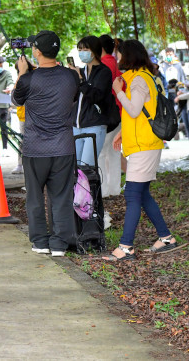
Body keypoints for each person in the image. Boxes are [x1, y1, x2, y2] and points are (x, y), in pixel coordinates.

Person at [103, 40, 178, 261]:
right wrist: (123, 132)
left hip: (144, 146)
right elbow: (142, 112)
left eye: (119, 55)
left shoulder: (137, 80)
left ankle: (126, 247)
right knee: (142, 194)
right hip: (145, 143)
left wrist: (118, 92)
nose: (117, 59)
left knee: (133, 194)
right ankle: (166, 238)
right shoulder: (146, 76)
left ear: (128, 57)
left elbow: (134, 109)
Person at [12, 30, 79, 257]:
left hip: (35, 148)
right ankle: (59, 244)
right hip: (63, 147)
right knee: (61, 196)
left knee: (34, 196)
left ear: (37, 51)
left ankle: (40, 241)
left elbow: (16, 99)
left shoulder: (29, 79)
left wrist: (22, 73)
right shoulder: (71, 77)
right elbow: (73, 97)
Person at [68, 35, 113, 168]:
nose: (82, 52)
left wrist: (81, 80)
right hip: (77, 125)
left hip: (94, 125)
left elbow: (96, 96)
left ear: (94, 51)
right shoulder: (82, 71)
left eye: (86, 49)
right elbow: (74, 97)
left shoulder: (104, 72)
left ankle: (93, 190)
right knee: (76, 169)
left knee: (87, 168)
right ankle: (79, 190)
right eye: (80, 49)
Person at [97, 35, 123, 197]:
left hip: (108, 114)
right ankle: (114, 188)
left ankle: (104, 190)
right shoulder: (114, 63)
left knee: (100, 154)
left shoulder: (103, 64)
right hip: (119, 112)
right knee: (113, 152)